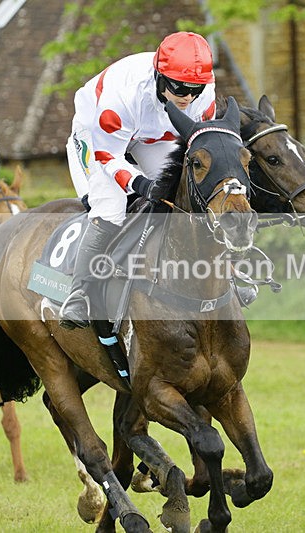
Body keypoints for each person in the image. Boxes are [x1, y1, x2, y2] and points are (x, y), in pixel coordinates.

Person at [59, 31, 217, 329]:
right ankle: (77, 293)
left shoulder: (202, 96)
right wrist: (142, 185)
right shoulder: (124, 96)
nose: (188, 97)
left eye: (195, 90)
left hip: (151, 137)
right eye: (180, 88)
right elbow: (108, 156)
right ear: (159, 76)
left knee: (187, 191)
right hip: (99, 135)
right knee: (110, 206)